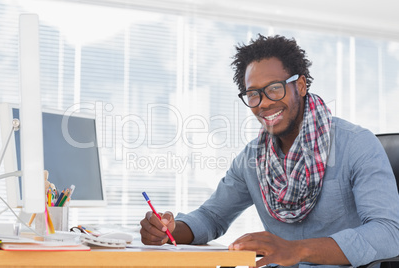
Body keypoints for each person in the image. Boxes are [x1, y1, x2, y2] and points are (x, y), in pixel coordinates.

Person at [140, 35, 399, 268]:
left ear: (300, 86)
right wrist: (171, 230)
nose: (263, 103)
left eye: (274, 88)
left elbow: (389, 232)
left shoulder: (355, 145)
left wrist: (297, 250)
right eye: (253, 94)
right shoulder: (252, 159)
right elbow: (212, 216)